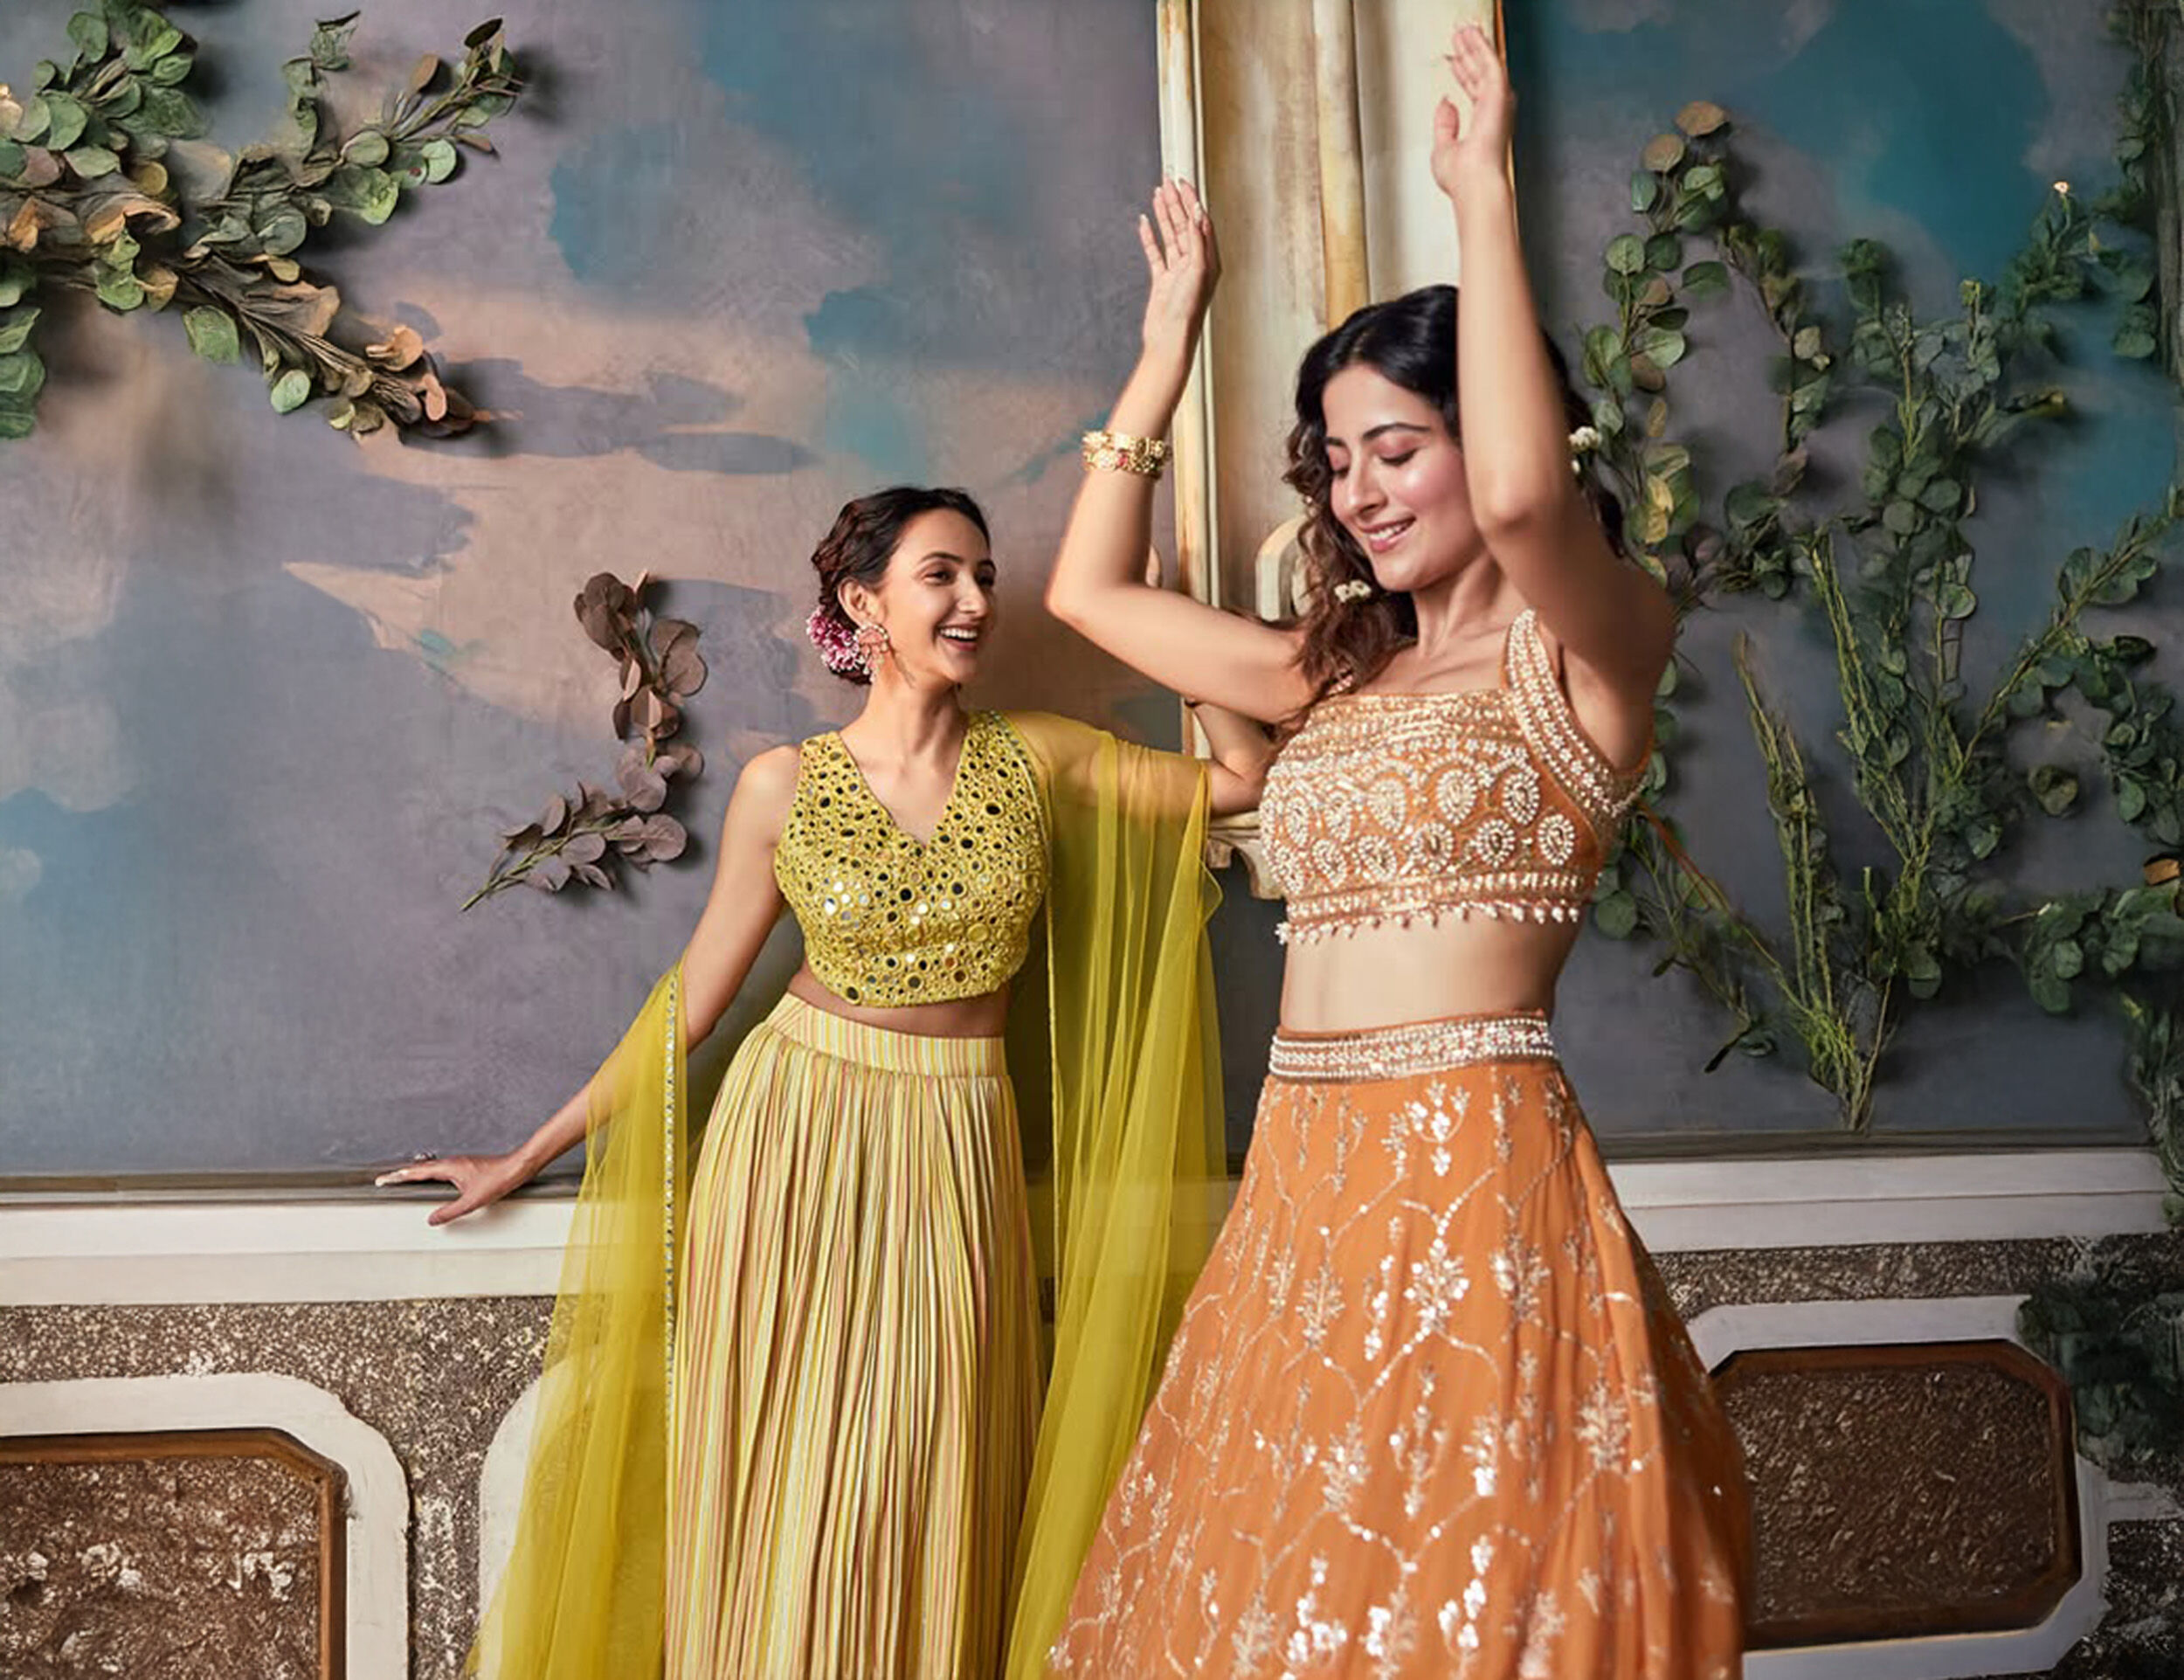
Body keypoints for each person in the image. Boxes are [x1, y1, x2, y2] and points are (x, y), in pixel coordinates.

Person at [1040, 25, 1748, 1679]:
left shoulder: (1592, 655)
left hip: (1471, 1168)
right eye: (1337, 456)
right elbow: (1088, 597)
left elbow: (1528, 507)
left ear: (1488, 436)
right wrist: (1163, 349)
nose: (1359, 491)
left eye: (1397, 446)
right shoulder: (1334, 673)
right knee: (1287, 1607)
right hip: (1304, 1174)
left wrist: (1479, 194)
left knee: (1470, 1600)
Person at [380, 485, 1269, 1679]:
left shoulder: (1042, 756)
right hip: (795, 1135)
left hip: (956, 1137)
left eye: (985, 575)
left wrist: (1166, 625)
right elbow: (690, 1005)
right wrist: (525, 1157)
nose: (975, 599)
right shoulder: (785, 783)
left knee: (934, 1466)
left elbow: (1242, 776)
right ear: (865, 603)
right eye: (941, 574)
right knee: (788, 1477)